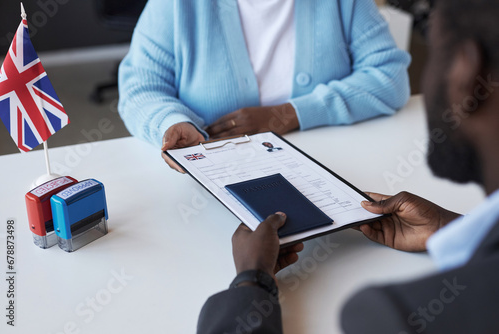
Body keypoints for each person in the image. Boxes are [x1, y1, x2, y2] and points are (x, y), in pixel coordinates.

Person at [196, 0, 499, 332]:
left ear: (466, 73)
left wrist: (251, 280)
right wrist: (453, 229)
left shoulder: (396, 317)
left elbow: (388, 77)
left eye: (435, 53)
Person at [118, 0, 411, 173]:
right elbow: (140, 88)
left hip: (339, 167)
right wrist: (172, 122)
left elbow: (389, 77)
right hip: (215, 175)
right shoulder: (175, 5)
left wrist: (288, 114)